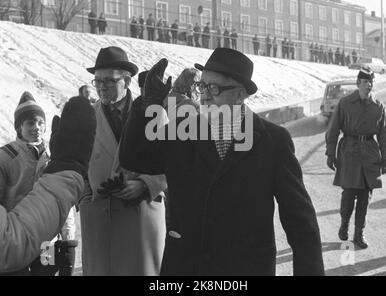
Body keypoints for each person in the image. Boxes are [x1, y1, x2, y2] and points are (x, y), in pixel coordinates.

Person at [119, 48, 325, 276]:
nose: (204, 96)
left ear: (240, 94)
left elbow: (299, 218)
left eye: (214, 88)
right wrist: (148, 105)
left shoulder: (273, 141)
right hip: (186, 268)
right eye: (202, 86)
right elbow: (134, 158)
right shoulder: (181, 131)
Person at [80, 46, 167, 276]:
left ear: (127, 82)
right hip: (100, 216)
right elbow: (76, 163)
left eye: (108, 80)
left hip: (139, 215)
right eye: (97, 81)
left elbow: (171, 160)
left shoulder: (151, 112)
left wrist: (145, 184)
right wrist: (86, 194)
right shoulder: (87, 116)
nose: (101, 87)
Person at [0, 97, 96, 274]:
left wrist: (68, 238)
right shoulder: (5, 157)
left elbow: (62, 202)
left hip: (47, 242)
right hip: (15, 238)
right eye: (30, 123)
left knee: (46, 273)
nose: (36, 128)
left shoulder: (54, 158)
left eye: (40, 122)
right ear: (19, 127)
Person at [325, 67, 386, 249]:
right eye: (365, 82)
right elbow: (333, 130)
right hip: (349, 151)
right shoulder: (345, 103)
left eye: (371, 82)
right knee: (348, 194)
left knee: (365, 196)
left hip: (370, 154)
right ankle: (344, 223)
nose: (369, 85)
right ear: (358, 83)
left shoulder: (378, 106)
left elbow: (385, 134)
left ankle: (359, 233)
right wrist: (331, 154)